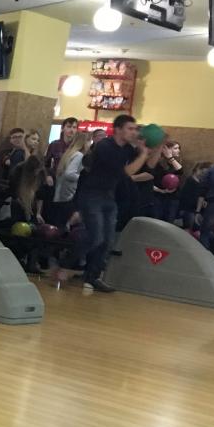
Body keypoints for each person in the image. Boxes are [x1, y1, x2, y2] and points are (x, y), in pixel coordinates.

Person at [75, 114, 158, 294]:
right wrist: (143, 153)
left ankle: (92, 277)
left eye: (135, 129)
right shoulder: (105, 146)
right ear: (118, 130)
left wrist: (157, 147)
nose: (134, 132)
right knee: (96, 237)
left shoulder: (127, 148)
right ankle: (69, 264)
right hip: (92, 195)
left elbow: (150, 166)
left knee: (107, 241)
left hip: (108, 197)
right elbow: (126, 172)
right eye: (130, 128)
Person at [51, 128, 90, 225]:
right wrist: (83, 179)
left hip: (60, 195)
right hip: (69, 196)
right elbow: (69, 173)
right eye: (89, 141)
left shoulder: (69, 153)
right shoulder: (79, 155)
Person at [178, 161, 210, 230]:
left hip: (196, 210)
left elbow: (202, 195)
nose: (203, 174)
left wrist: (204, 201)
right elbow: (187, 197)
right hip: (189, 209)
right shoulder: (190, 181)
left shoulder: (201, 183)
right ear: (197, 170)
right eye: (202, 172)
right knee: (189, 228)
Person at [45, 117, 78, 182]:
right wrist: (48, 175)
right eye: (69, 127)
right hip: (56, 179)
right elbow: (46, 163)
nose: (72, 130)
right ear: (63, 128)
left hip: (72, 181)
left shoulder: (78, 146)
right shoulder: (54, 144)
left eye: (74, 127)